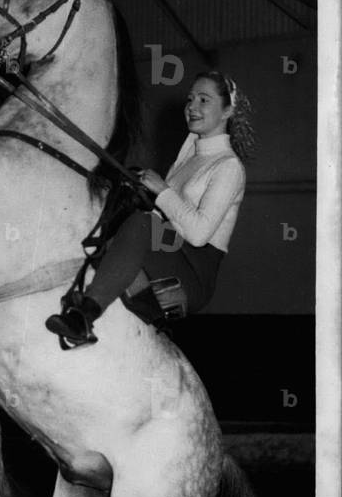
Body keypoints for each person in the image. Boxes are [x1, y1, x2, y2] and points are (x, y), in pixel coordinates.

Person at [45, 70, 253, 345]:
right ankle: (134, 304)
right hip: (168, 246)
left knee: (141, 224)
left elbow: (199, 234)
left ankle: (84, 316)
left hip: (193, 271)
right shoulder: (189, 155)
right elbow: (165, 214)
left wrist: (162, 191)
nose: (191, 107)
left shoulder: (228, 166)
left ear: (227, 110)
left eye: (204, 100)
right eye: (190, 100)